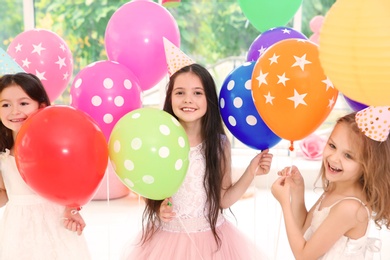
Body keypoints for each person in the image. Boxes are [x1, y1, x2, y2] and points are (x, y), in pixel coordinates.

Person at [122, 63, 273, 260]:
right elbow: (152, 186)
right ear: (169, 98)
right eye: (180, 93)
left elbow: (223, 199)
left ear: (209, 98)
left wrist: (251, 170)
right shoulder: (160, 140)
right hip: (168, 239)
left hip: (211, 242)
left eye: (197, 93)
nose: (188, 100)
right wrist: (158, 208)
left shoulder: (218, 145)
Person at [271, 108, 390, 259]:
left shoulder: (350, 208)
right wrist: (297, 190)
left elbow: (303, 255)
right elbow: (304, 232)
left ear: (368, 165)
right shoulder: (336, 188)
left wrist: (284, 204)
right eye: (332, 146)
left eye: (348, 156)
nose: (334, 158)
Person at [0, 72, 91, 260]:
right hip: (18, 228)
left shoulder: (52, 144)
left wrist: (71, 209)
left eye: (23, 103)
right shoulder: (3, 151)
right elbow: (4, 192)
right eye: (5, 104)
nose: (14, 111)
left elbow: (71, 182)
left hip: (54, 221)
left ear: (41, 106)